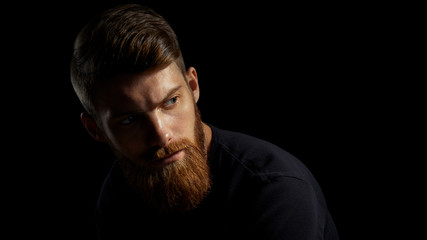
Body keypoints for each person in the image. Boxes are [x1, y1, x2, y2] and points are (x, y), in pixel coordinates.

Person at [70, 3, 339, 240]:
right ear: (95, 129)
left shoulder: (275, 189)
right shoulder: (118, 197)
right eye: (129, 119)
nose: (161, 135)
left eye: (170, 101)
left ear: (193, 86)